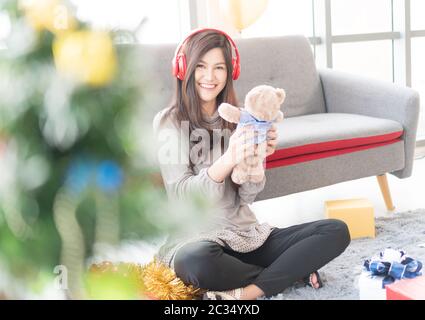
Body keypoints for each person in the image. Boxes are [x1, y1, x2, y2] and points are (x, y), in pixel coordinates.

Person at [152, 28, 351, 300]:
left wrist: (257, 161)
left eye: (219, 67)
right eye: (200, 66)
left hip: (245, 235)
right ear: (184, 68)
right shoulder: (168, 122)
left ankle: (248, 292)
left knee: (336, 230)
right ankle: (288, 273)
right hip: (197, 240)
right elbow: (181, 197)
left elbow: (247, 195)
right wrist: (229, 159)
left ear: (230, 72)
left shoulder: (242, 119)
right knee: (194, 262)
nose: (209, 77)